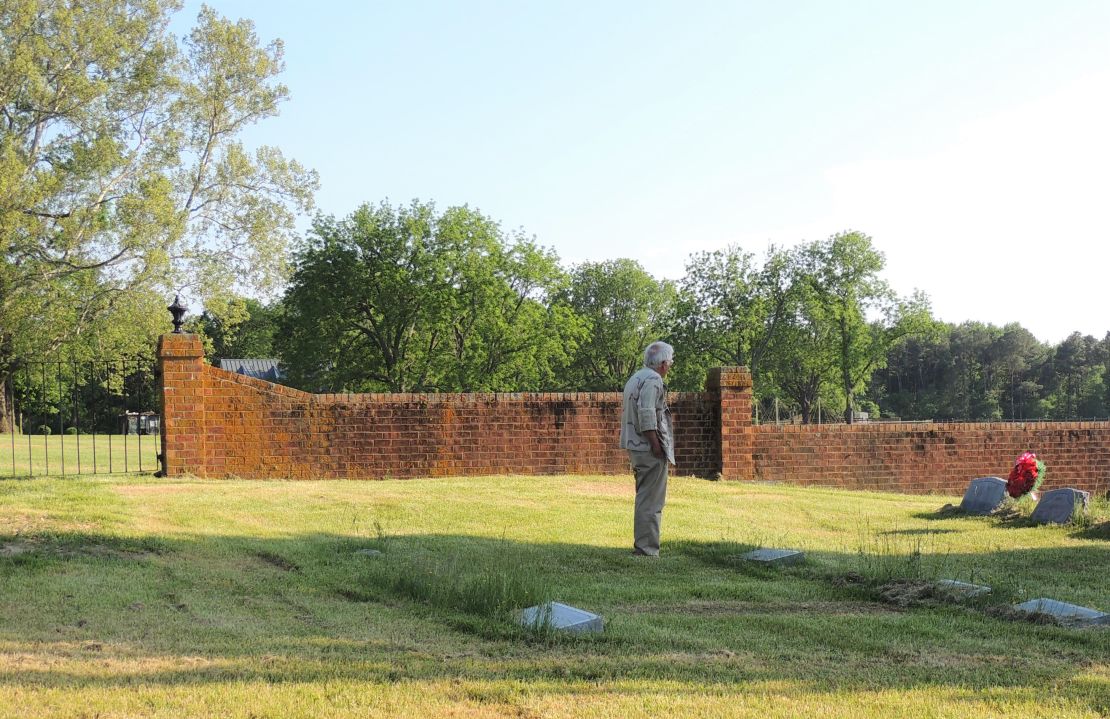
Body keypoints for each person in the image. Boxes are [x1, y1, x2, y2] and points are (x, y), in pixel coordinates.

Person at [620, 341, 675, 557]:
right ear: (662, 364)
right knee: (651, 500)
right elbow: (647, 414)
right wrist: (657, 446)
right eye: (670, 362)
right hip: (647, 447)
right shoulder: (653, 380)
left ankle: (643, 546)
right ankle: (646, 549)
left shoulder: (636, 377)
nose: (670, 366)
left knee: (644, 496)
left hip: (634, 445)